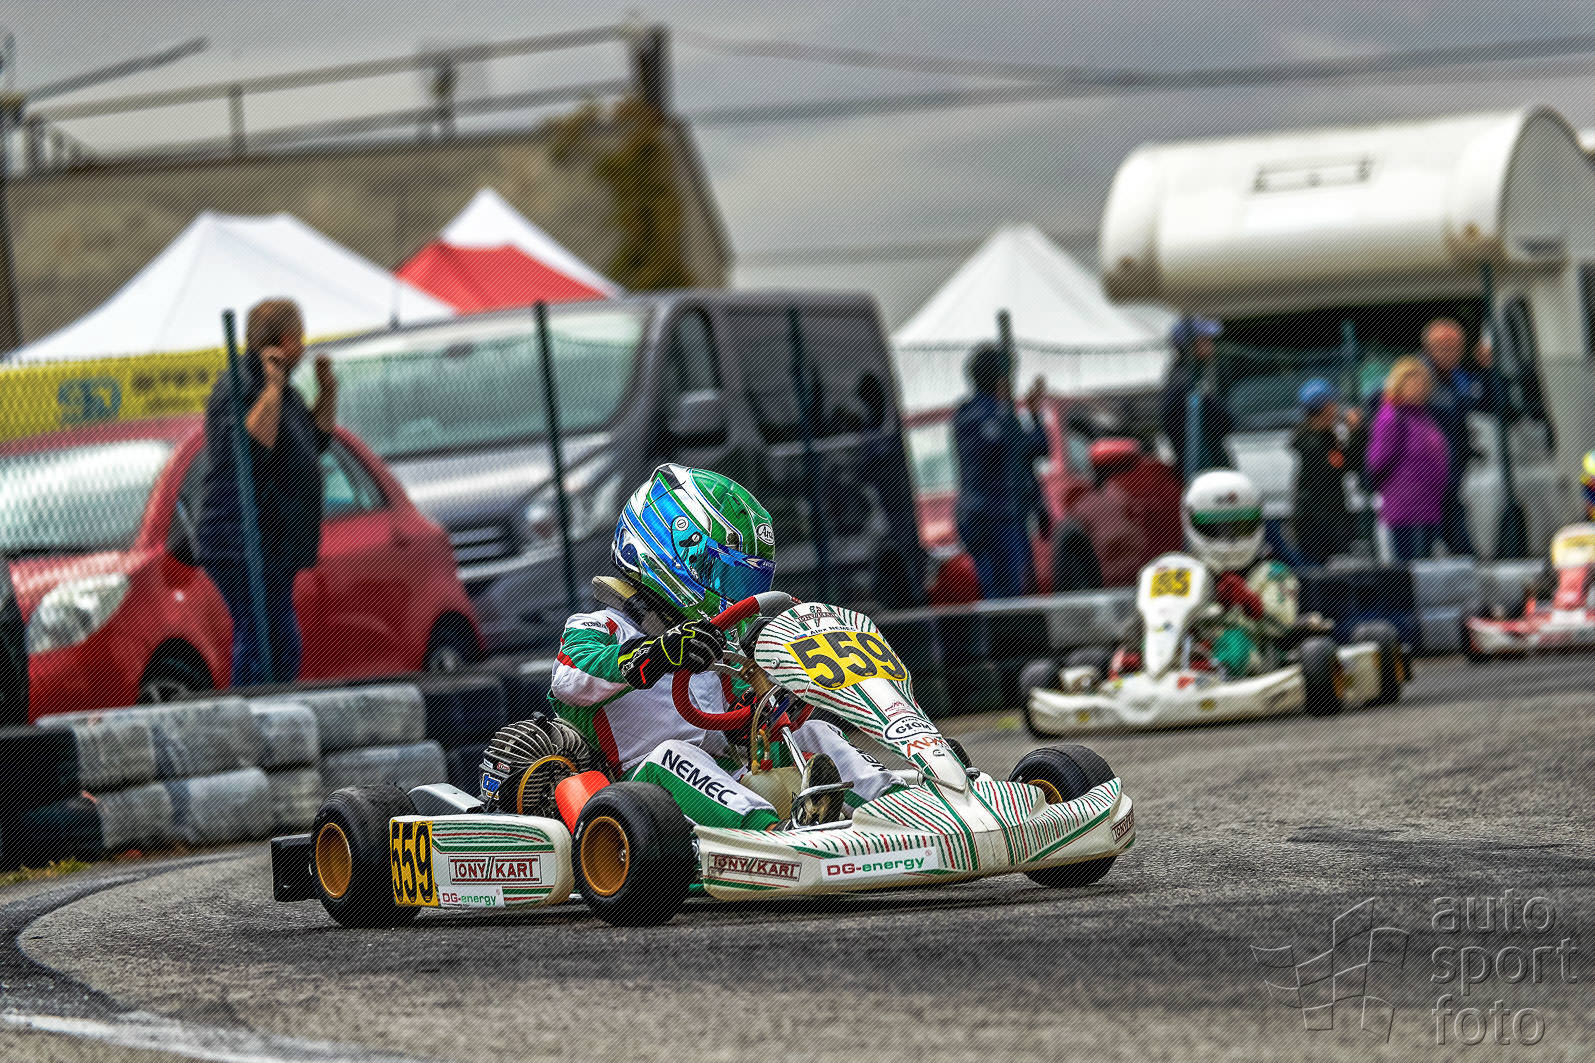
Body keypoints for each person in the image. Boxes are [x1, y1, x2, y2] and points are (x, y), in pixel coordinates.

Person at [547, 463, 900, 831]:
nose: (733, 592)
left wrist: (766, 705)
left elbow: (739, 715)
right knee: (674, 754)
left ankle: (898, 806)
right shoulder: (600, 626)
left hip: (725, 777)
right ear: (667, 552)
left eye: (744, 581)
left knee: (815, 733)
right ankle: (773, 835)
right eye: (722, 575)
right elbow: (572, 677)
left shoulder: (715, 642)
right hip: (643, 796)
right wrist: (656, 654)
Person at [196, 299, 337, 687]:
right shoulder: (240, 385)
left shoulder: (285, 392)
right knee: (261, 637)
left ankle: (270, 708)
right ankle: (251, 712)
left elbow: (315, 441)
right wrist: (272, 387)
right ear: (286, 340)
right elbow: (247, 449)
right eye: (300, 339)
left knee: (279, 641)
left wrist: (327, 392)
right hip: (238, 538)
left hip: (273, 540)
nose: (303, 348)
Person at [1179, 469, 1300, 677]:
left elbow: (1283, 625)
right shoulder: (1185, 573)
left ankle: (1218, 671)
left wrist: (1248, 602)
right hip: (1190, 647)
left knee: (1235, 641)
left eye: (1240, 527)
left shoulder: (1272, 573)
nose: (1229, 539)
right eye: (1215, 529)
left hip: (1255, 653)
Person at [952, 343, 1048, 599]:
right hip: (999, 515)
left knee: (990, 588)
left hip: (972, 513)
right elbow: (1036, 447)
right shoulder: (999, 415)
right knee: (1009, 593)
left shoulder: (963, 413)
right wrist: (1034, 414)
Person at [1419, 318, 1497, 555]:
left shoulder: (1460, 379)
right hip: (1422, 475)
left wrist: (1487, 370)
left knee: (1460, 541)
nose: (1450, 354)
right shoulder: (1416, 378)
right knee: (1421, 547)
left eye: (1455, 348)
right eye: (1443, 348)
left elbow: (1488, 404)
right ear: (1429, 349)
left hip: (1453, 471)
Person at [1365, 356, 1450, 562]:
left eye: (1422, 382)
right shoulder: (1391, 416)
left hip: (1428, 506)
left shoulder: (1423, 416)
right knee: (1408, 567)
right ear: (1399, 384)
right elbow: (1377, 460)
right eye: (1412, 382)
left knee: (1424, 566)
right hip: (1405, 509)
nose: (1418, 388)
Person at [1290, 378, 1366, 566]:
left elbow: (1349, 463)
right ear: (1323, 408)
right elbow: (1341, 466)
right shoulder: (1311, 442)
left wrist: (1354, 433)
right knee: (1316, 573)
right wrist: (1354, 432)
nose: (1337, 409)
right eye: (1332, 404)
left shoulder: (1326, 436)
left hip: (1329, 519)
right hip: (1315, 525)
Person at [1159, 316, 1233, 481]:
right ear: (1188, 346)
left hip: (1207, 463)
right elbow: (1223, 419)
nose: (1211, 346)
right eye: (1204, 341)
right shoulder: (1184, 381)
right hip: (1203, 469)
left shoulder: (1191, 376)